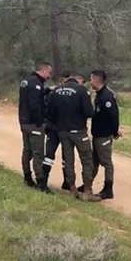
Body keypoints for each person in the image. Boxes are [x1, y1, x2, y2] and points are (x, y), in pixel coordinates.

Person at [47, 72, 101, 202]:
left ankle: (72, 188)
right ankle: (87, 190)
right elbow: (89, 112)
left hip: (62, 131)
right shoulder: (81, 90)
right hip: (78, 131)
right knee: (87, 159)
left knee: (68, 160)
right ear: (79, 80)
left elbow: (50, 112)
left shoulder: (56, 91)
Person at [18, 62, 52, 188]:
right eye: (49, 72)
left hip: (24, 122)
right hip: (33, 124)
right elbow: (35, 105)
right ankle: (41, 183)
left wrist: (47, 90)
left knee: (27, 151)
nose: (49, 75)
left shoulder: (26, 81)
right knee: (38, 153)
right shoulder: (36, 84)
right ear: (43, 70)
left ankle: (27, 178)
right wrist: (40, 122)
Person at [89, 70, 120, 200]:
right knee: (94, 161)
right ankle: (87, 185)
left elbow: (113, 116)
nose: (90, 81)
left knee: (106, 162)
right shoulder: (100, 95)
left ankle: (108, 189)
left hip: (104, 135)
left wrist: (114, 131)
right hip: (97, 135)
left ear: (96, 80)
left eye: (91, 79)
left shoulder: (107, 96)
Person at [42, 73, 70, 192]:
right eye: (64, 82)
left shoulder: (71, 94)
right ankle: (43, 182)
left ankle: (67, 182)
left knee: (66, 156)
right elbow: (45, 108)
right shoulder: (51, 92)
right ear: (59, 81)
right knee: (49, 155)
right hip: (53, 129)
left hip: (66, 129)